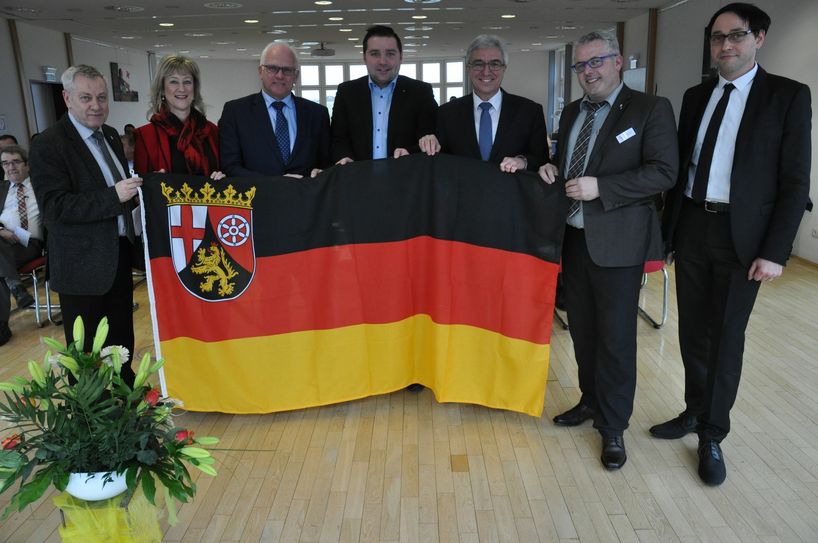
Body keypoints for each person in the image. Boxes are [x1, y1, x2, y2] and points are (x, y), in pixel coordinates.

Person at [653, 3, 811, 486]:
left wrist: (776, 250)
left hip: (744, 240)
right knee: (692, 333)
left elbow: (794, 181)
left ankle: (713, 433)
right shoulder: (695, 96)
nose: (725, 46)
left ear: (759, 38)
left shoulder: (787, 96)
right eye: (717, 37)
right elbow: (680, 168)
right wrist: (668, 233)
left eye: (736, 36)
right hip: (694, 228)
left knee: (725, 338)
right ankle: (693, 410)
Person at [539, 30, 678, 470]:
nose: (589, 71)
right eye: (581, 65)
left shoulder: (650, 108)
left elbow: (664, 172)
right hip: (575, 240)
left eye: (596, 61)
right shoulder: (575, 110)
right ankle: (590, 401)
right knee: (582, 330)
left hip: (619, 245)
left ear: (618, 62)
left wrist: (603, 188)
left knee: (615, 339)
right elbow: (571, 167)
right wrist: (551, 168)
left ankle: (613, 426)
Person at [29, 65, 142, 384]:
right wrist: (113, 196)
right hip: (81, 269)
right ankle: (92, 424)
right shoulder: (49, 144)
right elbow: (54, 208)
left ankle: (126, 411)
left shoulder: (109, 135)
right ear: (67, 98)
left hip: (118, 258)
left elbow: (120, 192)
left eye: (102, 97)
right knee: (87, 356)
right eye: (86, 97)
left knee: (121, 347)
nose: (96, 105)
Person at [425, 34, 548, 172]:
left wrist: (522, 162)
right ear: (468, 68)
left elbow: (542, 162)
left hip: (512, 193)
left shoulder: (529, 112)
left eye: (494, 64)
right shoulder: (446, 114)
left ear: (504, 68)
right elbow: (438, 163)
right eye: (478, 64)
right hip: (462, 193)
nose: (486, 72)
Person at [220, 43, 330, 178]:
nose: (279, 76)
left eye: (287, 70)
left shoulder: (318, 114)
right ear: (260, 71)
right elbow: (230, 167)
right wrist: (275, 184)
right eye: (272, 68)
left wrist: (323, 173)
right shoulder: (235, 112)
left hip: (305, 197)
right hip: (259, 197)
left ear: (296, 76)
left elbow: (327, 164)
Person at [330, 25, 437, 164]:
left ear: (401, 57)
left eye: (390, 53)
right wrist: (343, 157)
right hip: (357, 178)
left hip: (405, 178)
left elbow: (429, 138)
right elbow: (338, 138)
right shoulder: (347, 92)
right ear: (364, 57)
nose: (382, 61)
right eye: (375, 54)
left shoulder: (420, 92)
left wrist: (410, 152)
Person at [133, 55, 223, 180]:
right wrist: (152, 182)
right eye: (173, 81)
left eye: (187, 81)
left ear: (195, 88)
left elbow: (228, 174)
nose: (181, 89)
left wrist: (224, 177)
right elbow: (140, 192)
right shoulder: (145, 136)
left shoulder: (212, 131)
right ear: (162, 89)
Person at [0, 145, 43, 345]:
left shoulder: (40, 185)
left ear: (26, 164)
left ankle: (1, 327)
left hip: (30, 244)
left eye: (15, 161)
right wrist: (2, 231)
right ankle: (15, 286)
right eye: (5, 163)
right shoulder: (1, 189)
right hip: (3, 243)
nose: (11, 167)